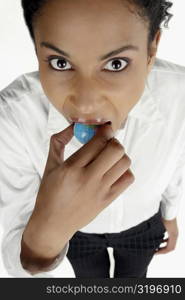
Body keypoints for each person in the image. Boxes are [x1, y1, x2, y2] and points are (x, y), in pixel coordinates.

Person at [0, 0, 184, 278]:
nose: (85, 105)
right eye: (60, 63)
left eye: (116, 63)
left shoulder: (179, 94)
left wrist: (169, 215)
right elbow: (20, 265)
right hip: (77, 238)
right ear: (36, 48)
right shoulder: (12, 116)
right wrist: (50, 232)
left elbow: (177, 163)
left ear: (151, 49)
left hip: (145, 227)